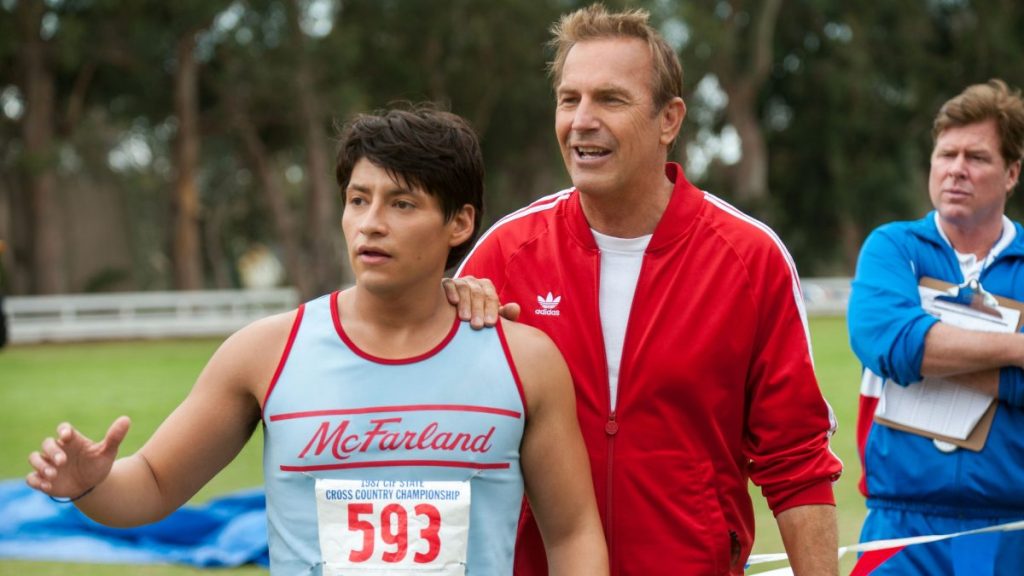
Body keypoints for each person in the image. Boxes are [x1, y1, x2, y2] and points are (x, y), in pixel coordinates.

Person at [26, 106, 608, 576]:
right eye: (359, 199)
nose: (370, 223)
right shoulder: (265, 353)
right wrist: (89, 486)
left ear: (459, 222)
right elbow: (152, 486)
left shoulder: (524, 362)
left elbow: (573, 534)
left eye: (401, 203)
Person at [444, 5, 842, 575]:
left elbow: (797, 462)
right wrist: (446, 304)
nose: (581, 120)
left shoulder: (750, 257)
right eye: (568, 99)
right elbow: (431, 419)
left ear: (669, 120)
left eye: (610, 99)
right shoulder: (506, 252)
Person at [848, 79, 1024, 574]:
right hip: (900, 533)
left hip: (1010, 533)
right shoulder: (892, 248)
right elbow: (893, 345)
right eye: (946, 154)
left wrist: (934, 356)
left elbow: (915, 353)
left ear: (1011, 173)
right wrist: (1016, 353)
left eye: (977, 157)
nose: (956, 170)